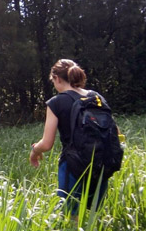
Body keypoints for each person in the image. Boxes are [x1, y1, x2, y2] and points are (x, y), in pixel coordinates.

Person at [29, 59, 111, 217]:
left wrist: (34, 151)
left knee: (70, 215)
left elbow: (46, 144)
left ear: (57, 78)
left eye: (53, 80)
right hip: (100, 164)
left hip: (73, 164)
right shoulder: (96, 97)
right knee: (96, 213)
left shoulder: (56, 102)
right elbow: (114, 130)